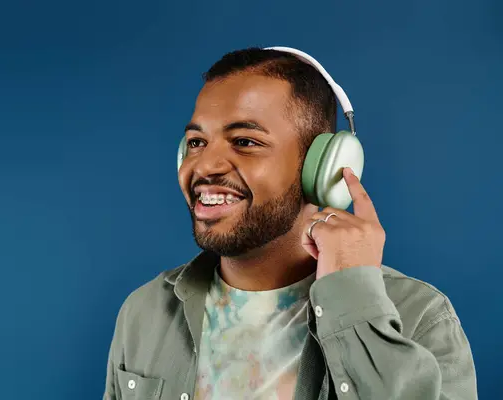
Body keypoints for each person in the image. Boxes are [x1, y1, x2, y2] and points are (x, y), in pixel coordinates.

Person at [103, 46, 477, 400]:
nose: (203, 166)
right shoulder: (146, 311)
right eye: (196, 142)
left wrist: (354, 303)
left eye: (245, 141)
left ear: (323, 168)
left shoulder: (418, 316)